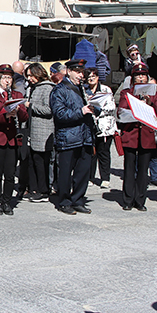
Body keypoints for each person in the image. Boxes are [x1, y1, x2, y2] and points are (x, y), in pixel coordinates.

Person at [117, 62, 157, 212]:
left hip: (146, 135)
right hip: (131, 134)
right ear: (133, 78)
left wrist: (150, 103)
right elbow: (122, 111)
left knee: (144, 170)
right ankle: (128, 199)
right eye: (138, 75)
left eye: (143, 75)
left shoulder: (153, 93)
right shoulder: (126, 93)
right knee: (129, 168)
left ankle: (140, 200)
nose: (141, 78)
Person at [50, 59, 94, 214]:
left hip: (85, 136)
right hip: (68, 137)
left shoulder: (82, 88)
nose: (81, 75)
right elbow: (59, 114)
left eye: (82, 72)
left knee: (83, 172)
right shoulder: (60, 89)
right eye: (77, 72)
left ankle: (78, 199)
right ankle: (64, 201)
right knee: (65, 172)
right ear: (68, 71)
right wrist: (81, 111)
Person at [0, 64, 27, 215]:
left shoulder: (16, 95)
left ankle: (7, 202)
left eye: (9, 77)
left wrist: (18, 111)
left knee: (10, 174)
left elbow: (25, 116)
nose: (7, 80)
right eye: (4, 77)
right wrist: (5, 112)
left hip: (12, 140)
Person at [24, 62, 53, 203]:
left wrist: (31, 106)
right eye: (27, 76)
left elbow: (49, 110)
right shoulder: (34, 88)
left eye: (31, 75)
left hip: (44, 131)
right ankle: (35, 189)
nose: (29, 78)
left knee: (42, 162)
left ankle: (43, 191)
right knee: (34, 161)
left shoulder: (47, 88)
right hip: (34, 130)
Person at [85, 67, 117, 189]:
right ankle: (90, 177)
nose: (91, 78)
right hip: (89, 125)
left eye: (93, 76)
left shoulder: (105, 89)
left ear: (98, 77)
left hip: (105, 127)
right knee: (90, 153)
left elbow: (112, 107)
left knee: (103, 153)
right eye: (89, 77)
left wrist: (98, 109)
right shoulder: (84, 90)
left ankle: (105, 178)